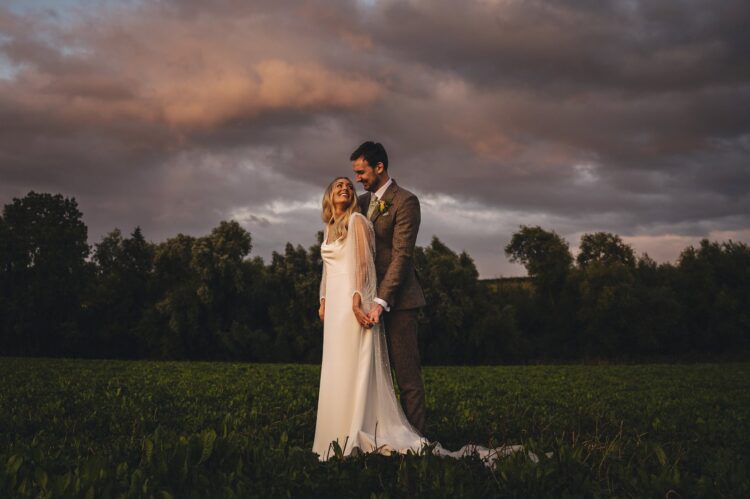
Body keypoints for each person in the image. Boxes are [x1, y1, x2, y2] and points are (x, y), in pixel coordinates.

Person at [312, 171, 530, 464]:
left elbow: (368, 265)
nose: (349, 185)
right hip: (337, 308)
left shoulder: (368, 216)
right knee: (338, 368)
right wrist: (323, 300)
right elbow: (328, 269)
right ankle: (334, 435)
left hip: (367, 300)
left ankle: (408, 440)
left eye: (354, 179)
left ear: (378, 167)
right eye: (339, 184)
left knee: (396, 373)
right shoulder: (334, 224)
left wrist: (357, 301)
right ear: (328, 195)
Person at [350, 141, 428, 435]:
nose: (358, 178)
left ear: (379, 167)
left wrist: (381, 301)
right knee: (370, 376)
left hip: (399, 303)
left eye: (361, 172)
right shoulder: (360, 202)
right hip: (365, 302)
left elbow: (402, 256)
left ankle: (419, 442)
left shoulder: (406, 201)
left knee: (407, 377)